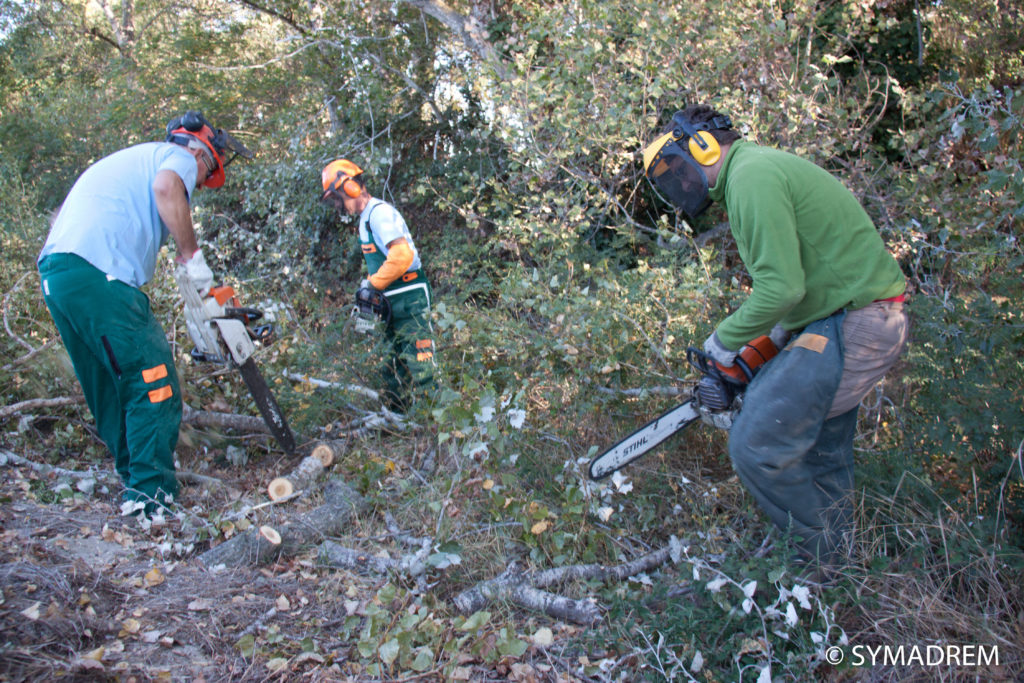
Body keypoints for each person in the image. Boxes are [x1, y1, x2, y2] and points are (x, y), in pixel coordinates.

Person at [642, 104, 909, 566]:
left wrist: (720, 344)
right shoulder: (753, 172)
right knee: (821, 447)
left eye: (678, 170)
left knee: (756, 443)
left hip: (857, 320)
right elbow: (800, 289)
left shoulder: (751, 178)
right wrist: (751, 358)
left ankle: (818, 564)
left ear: (703, 147)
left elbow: (782, 288)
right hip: (842, 316)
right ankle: (842, 565)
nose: (681, 185)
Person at [37, 110, 242, 514]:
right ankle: (152, 496)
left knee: (110, 385)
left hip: (58, 274)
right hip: (101, 275)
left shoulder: (124, 162)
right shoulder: (178, 158)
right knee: (154, 377)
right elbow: (168, 189)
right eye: (202, 179)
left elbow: (60, 218)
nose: (197, 185)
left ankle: (134, 480)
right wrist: (192, 259)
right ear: (202, 152)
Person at [320, 159, 436, 412]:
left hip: (410, 296)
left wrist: (372, 284)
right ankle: (399, 419)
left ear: (349, 187)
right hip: (391, 299)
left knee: (420, 359)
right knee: (391, 362)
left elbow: (402, 256)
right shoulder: (365, 219)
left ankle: (437, 423)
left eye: (337, 198)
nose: (338, 205)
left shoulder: (379, 213)